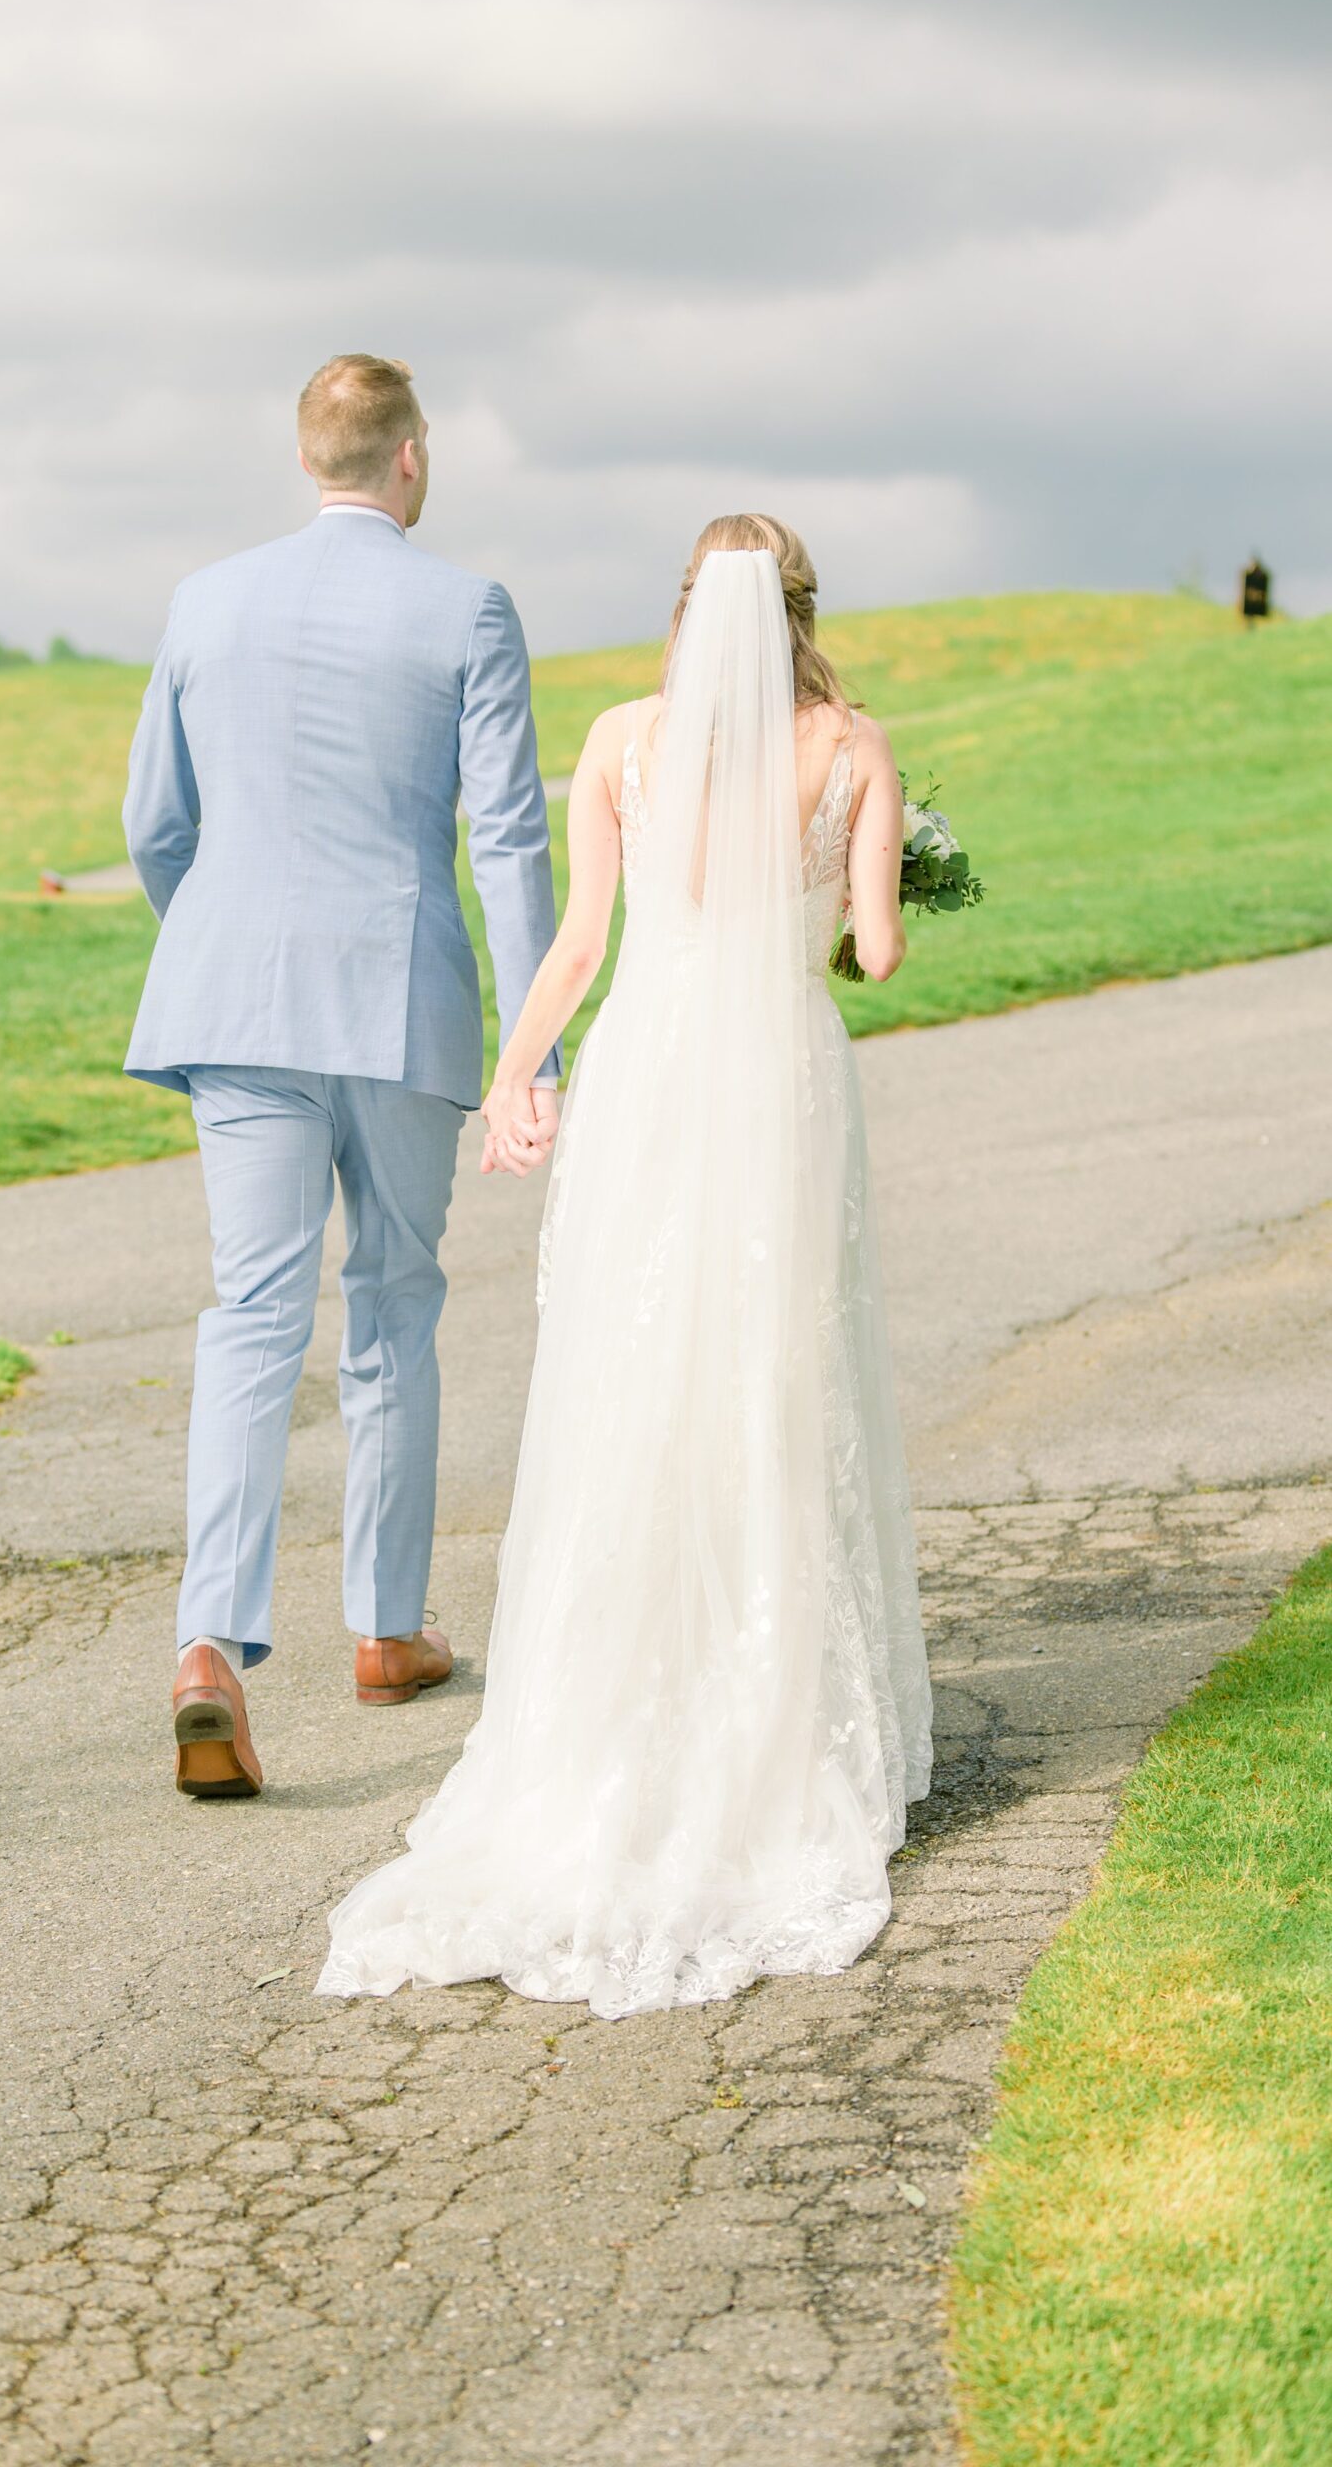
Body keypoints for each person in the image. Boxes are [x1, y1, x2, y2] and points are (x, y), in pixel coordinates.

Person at [320, 515, 933, 2015]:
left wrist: (518, 1080)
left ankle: (605, 1722)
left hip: (648, 1080)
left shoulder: (616, 739)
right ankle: (767, 1715)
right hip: (779, 1081)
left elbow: (581, 939)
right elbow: (878, 954)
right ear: (799, 610)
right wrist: (897, 868)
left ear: (684, 612)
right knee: (773, 1377)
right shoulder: (851, 747)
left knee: (629, 1378)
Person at [121, 355, 561, 1796]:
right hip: (393, 995)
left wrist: (225, 930)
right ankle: (383, 1628)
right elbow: (506, 838)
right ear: (412, 459)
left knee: (251, 1311)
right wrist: (533, 1041)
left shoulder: (204, 600)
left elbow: (155, 826)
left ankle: (207, 1645)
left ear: (308, 458)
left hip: (234, 997)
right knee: (392, 1302)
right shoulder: (466, 608)